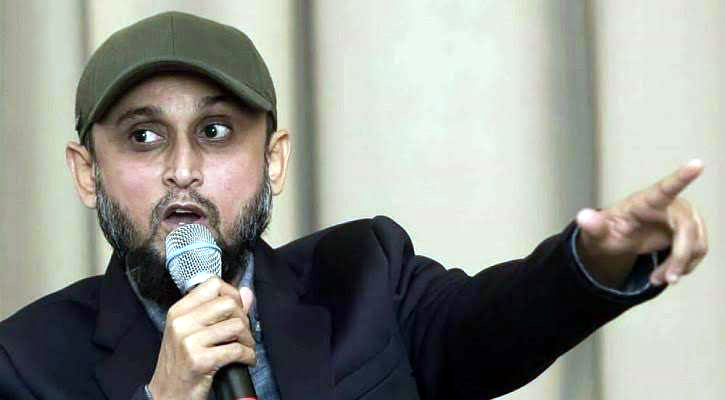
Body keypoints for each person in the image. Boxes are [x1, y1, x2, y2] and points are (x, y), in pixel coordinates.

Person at [0, 11, 708, 400]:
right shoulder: (25, 363)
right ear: (87, 172)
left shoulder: (366, 275)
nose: (182, 171)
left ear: (273, 159)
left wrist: (598, 256)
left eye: (215, 132)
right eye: (143, 136)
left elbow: (495, 325)